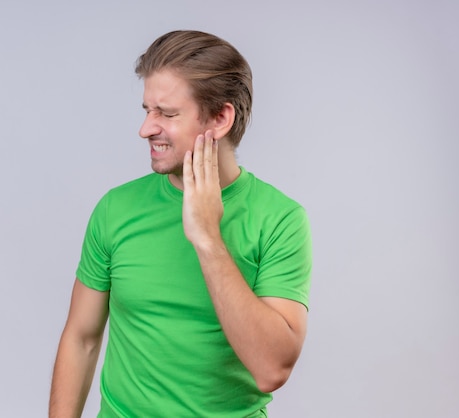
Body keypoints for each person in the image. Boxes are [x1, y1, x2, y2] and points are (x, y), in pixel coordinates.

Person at [49, 30, 312, 418]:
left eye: (167, 114)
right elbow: (82, 338)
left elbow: (272, 368)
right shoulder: (116, 209)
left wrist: (208, 238)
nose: (146, 129)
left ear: (221, 117)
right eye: (146, 110)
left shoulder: (280, 220)